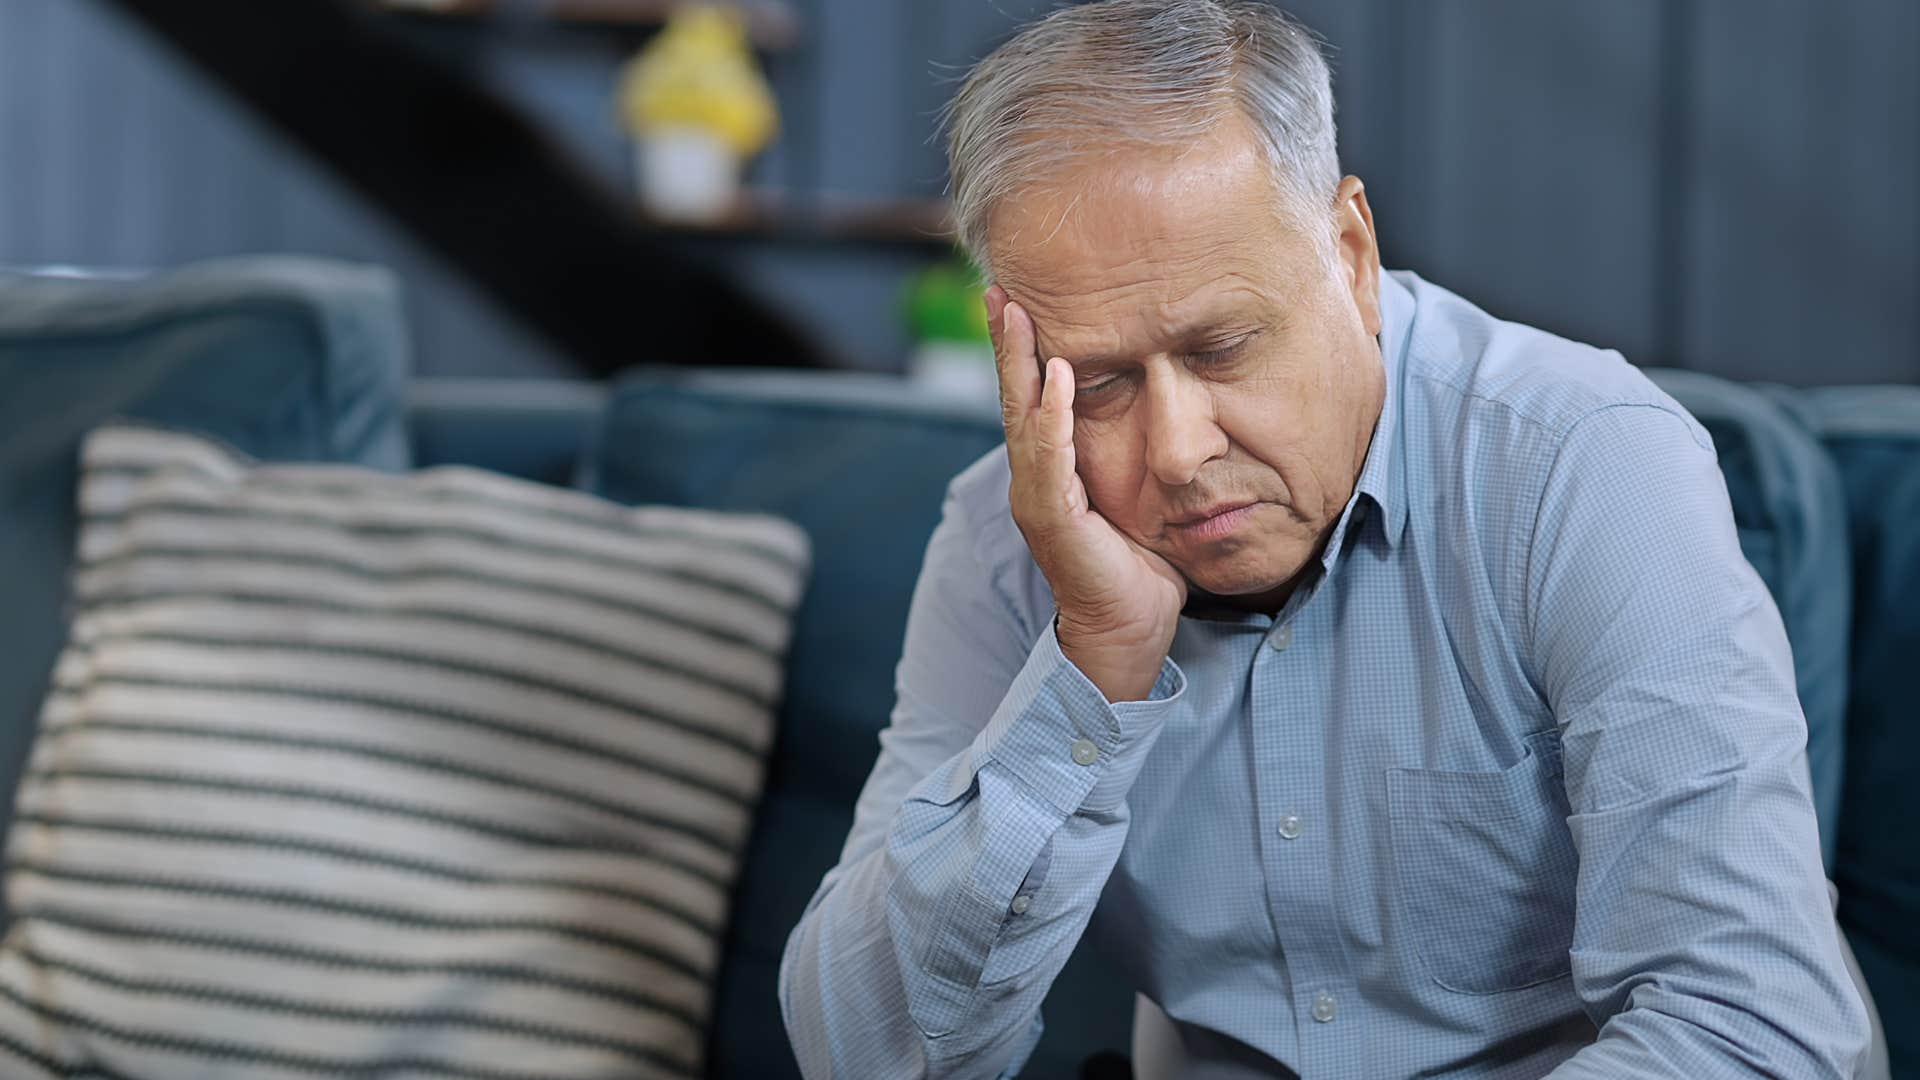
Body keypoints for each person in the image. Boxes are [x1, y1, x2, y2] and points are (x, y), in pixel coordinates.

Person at [779, 2, 1875, 1076]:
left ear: (1349, 251)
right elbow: (862, 1057)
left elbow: (1750, 1025)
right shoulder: (1009, 542)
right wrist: (1091, 663)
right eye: (1100, 382)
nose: (1176, 450)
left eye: (1221, 348)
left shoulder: (1579, 464)